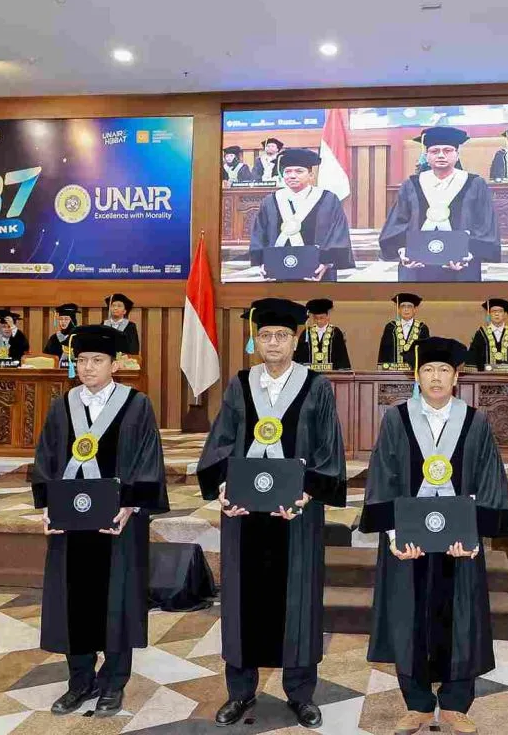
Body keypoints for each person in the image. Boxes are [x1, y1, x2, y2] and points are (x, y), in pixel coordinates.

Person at [197, 298, 347, 729]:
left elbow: (329, 448)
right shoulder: (240, 384)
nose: (274, 342)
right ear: (256, 341)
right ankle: (239, 692)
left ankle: (300, 694)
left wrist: (309, 492)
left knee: (298, 599)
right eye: (266, 335)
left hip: (295, 513)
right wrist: (222, 486)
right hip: (245, 512)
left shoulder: (316, 386)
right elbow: (222, 440)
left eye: (282, 335)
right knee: (241, 600)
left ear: (296, 341)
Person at [360, 337, 508, 735]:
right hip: (409, 541)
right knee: (407, 615)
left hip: (458, 543)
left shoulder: (475, 421)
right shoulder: (397, 419)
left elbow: (490, 479)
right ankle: (417, 704)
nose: (436, 377)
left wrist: (475, 534)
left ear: (456, 377)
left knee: (461, 616)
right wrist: (394, 533)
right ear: (417, 375)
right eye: (428, 370)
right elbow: (383, 475)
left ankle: (457, 703)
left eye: (444, 370)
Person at [30, 324, 168, 717]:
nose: (88, 367)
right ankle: (80, 681)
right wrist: (47, 506)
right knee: (73, 602)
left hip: (116, 522)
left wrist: (130, 506)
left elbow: (148, 460)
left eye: (97, 360)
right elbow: (46, 458)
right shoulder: (62, 405)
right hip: (71, 524)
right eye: (82, 360)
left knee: (116, 600)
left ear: (114, 364)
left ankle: (113, 683)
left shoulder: (136, 405)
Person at [379, 126, 499, 282]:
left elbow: (485, 223)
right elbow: (398, 221)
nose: (441, 155)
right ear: (426, 155)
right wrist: (403, 251)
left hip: (461, 264)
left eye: (447, 150)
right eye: (435, 151)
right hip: (417, 265)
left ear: (457, 154)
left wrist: (469, 253)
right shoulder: (412, 184)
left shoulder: (475, 183)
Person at [248, 148, 355, 282]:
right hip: (278, 271)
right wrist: (262, 261)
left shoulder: (328, 199)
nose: (292, 176)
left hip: (317, 270)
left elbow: (338, 233)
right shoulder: (270, 201)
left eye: (299, 171)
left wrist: (327, 262)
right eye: (287, 171)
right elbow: (259, 232)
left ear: (311, 175)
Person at [467, 298, 508, 370]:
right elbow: (473, 358)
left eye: (500, 311)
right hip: (485, 376)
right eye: (493, 311)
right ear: (489, 314)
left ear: (505, 314)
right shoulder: (481, 333)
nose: (496, 314)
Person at [293, 298, 351, 370]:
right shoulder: (307, 333)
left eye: (321, 318)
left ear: (327, 316)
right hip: (311, 373)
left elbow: (341, 356)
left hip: (331, 373)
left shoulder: (335, 332)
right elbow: (300, 355)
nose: (318, 321)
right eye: (316, 318)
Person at [378, 293, 430, 368]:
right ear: (398, 309)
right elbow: (384, 352)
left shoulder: (422, 328)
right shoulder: (391, 327)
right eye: (403, 306)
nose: (406, 309)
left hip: (415, 372)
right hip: (393, 372)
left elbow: (426, 353)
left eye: (409, 306)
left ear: (415, 309)